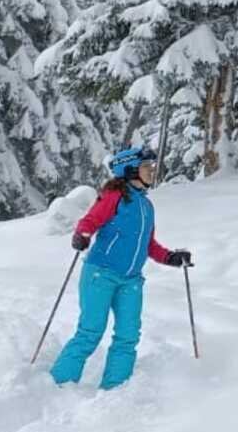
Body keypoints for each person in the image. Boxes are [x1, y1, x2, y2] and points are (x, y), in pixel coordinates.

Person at [50, 145, 194, 390]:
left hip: (131, 280)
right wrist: (82, 235)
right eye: (146, 167)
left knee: (128, 336)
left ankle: (115, 388)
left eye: (151, 167)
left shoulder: (146, 207)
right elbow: (90, 221)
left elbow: (148, 244)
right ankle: (58, 383)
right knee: (90, 332)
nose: (151, 172)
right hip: (100, 273)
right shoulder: (115, 196)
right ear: (129, 170)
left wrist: (170, 257)